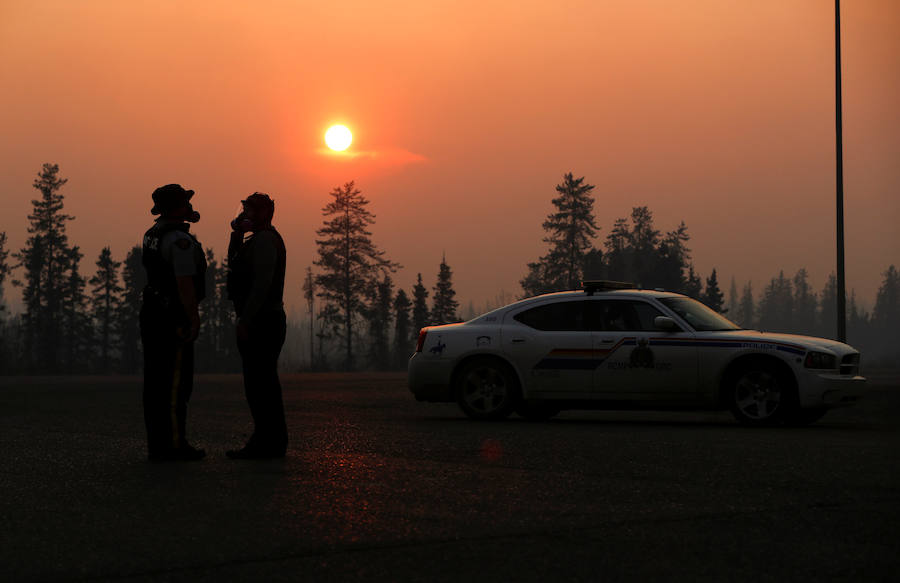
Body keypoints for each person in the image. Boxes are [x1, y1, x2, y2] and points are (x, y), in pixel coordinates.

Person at [140, 184, 207, 462]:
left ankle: (158, 444)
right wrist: (193, 317)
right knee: (176, 383)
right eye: (185, 202)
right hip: (172, 317)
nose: (190, 206)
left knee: (155, 381)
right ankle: (174, 445)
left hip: (152, 312)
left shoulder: (152, 234)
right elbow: (184, 283)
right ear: (179, 208)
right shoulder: (179, 241)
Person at [226, 192, 288, 459]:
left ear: (263, 213)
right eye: (244, 210)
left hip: (263, 320)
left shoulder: (265, 241)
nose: (245, 214)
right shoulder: (256, 240)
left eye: (249, 210)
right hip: (259, 318)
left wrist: (246, 319)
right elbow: (234, 263)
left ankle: (268, 442)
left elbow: (262, 284)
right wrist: (236, 235)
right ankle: (266, 440)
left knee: (261, 384)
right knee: (258, 384)